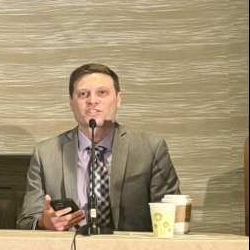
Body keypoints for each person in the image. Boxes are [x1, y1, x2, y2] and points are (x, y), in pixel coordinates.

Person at [17, 63, 181, 232]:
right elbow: (25, 222)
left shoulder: (151, 148)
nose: (92, 101)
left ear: (118, 99)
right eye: (83, 94)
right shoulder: (46, 153)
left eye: (102, 93)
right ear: (71, 103)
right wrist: (44, 223)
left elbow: (173, 218)